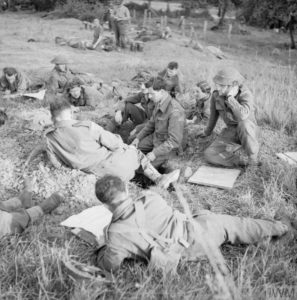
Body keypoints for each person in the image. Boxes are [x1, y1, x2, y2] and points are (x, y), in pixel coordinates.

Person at [95, 175, 289, 272]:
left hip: (189, 250)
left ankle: (270, 238)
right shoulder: (149, 197)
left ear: (104, 205)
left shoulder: (116, 234)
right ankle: (281, 228)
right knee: (241, 224)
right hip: (204, 227)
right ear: (127, 190)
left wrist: (103, 243)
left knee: (231, 226)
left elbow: (109, 265)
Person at [27, 97, 180, 189]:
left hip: (99, 175)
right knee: (136, 153)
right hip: (118, 165)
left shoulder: (49, 140)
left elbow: (58, 165)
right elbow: (114, 144)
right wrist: (125, 145)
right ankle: (158, 179)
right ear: (70, 112)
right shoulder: (86, 125)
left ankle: (146, 179)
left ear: (53, 116)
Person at [198, 67, 259, 167]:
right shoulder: (216, 96)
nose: (218, 88)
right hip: (231, 131)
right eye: (217, 85)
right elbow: (213, 116)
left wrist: (230, 98)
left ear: (233, 85)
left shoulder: (245, 94)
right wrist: (206, 132)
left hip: (248, 131)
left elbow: (242, 116)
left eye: (221, 86)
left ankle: (253, 159)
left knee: (244, 123)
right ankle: (242, 162)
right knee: (209, 154)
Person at [131, 78, 187, 169]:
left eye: (152, 94)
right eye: (148, 93)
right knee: (133, 152)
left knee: (144, 168)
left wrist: (154, 153)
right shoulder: (158, 102)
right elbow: (151, 124)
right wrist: (138, 138)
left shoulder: (175, 111)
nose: (149, 97)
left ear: (162, 92)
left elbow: (174, 141)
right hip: (156, 137)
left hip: (169, 147)